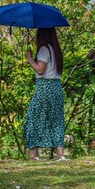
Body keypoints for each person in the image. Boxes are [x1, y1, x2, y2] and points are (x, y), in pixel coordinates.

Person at [23, 26, 66, 160]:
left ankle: (33, 155)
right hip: (56, 87)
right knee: (57, 119)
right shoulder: (56, 50)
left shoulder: (43, 50)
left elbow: (40, 70)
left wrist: (29, 58)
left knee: (34, 118)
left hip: (44, 87)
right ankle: (60, 155)